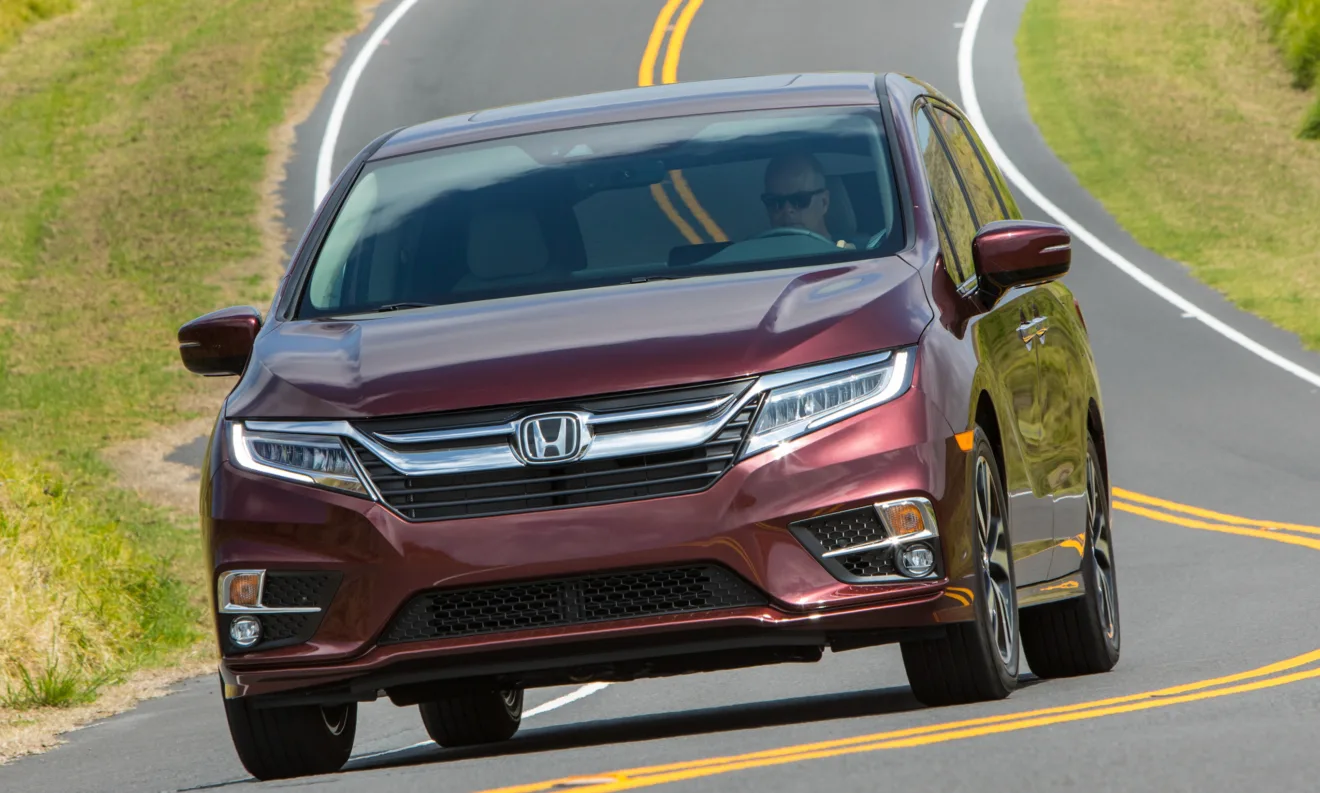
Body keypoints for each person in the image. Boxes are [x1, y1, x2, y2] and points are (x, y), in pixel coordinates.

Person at [760, 153, 846, 244]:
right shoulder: (753, 256)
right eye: (775, 202)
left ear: (824, 202)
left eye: (799, 199)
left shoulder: (855, 253)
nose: (787, 209)